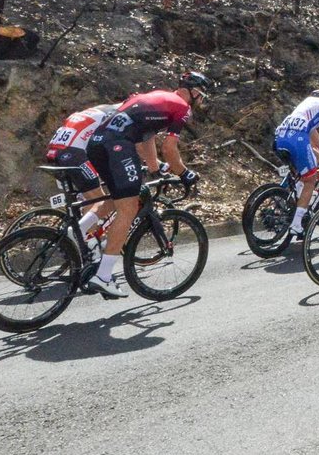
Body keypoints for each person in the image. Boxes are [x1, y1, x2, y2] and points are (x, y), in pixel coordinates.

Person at [43, 72, 212, 299]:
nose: (201, 99)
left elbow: (145, 140)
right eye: (201, 94)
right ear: (194, 91)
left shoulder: (156, 98)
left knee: (116, 197)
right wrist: (185, 173)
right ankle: (102, 276)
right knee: (129, 207)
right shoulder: (182, 107)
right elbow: (169, 149)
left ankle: (79, 230)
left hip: (96, 144)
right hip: (117, 145)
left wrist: (154, 167)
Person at [273, 81, 319, 238]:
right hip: (297, 140)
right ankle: (296, 224)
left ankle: (295, 201)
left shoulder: (309, 101)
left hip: (280, 136)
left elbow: (313, 132)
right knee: (310, 180)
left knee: (312, 161)